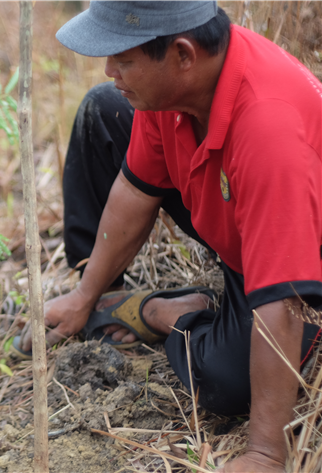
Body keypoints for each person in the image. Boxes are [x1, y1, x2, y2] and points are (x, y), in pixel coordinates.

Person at [19, 1, 322, 471]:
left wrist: (265, 453)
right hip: (234, 214)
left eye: (124, 58)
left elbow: (284, 304)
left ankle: (165, 312)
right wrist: (84, 295)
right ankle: (106, 304)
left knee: (227, 384)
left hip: (296, 263)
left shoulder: (269, 130)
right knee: (103, 110)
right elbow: (134, 190)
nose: (110, 69)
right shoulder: (178, 91)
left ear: (183, 54)